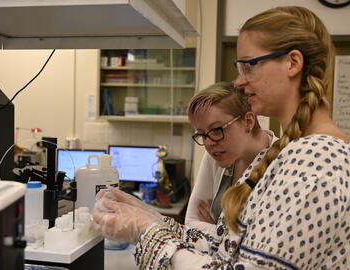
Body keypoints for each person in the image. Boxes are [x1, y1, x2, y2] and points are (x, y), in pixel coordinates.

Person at [93, 6, 350, 269]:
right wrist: (149, 217)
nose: (239, 81)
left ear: (293, 63)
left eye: (249, 66)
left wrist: (144, 231)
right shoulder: (292, 154)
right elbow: (226, 248)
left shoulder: (316, 163)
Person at [185, 82, 276, 232]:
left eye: (216, 130)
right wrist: (225, 234)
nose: (209, 143)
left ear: (248, 122)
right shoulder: (216, 156)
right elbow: (191, 223)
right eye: (202, 134)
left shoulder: (282, 163)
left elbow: (263, 243)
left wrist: (217, 230)